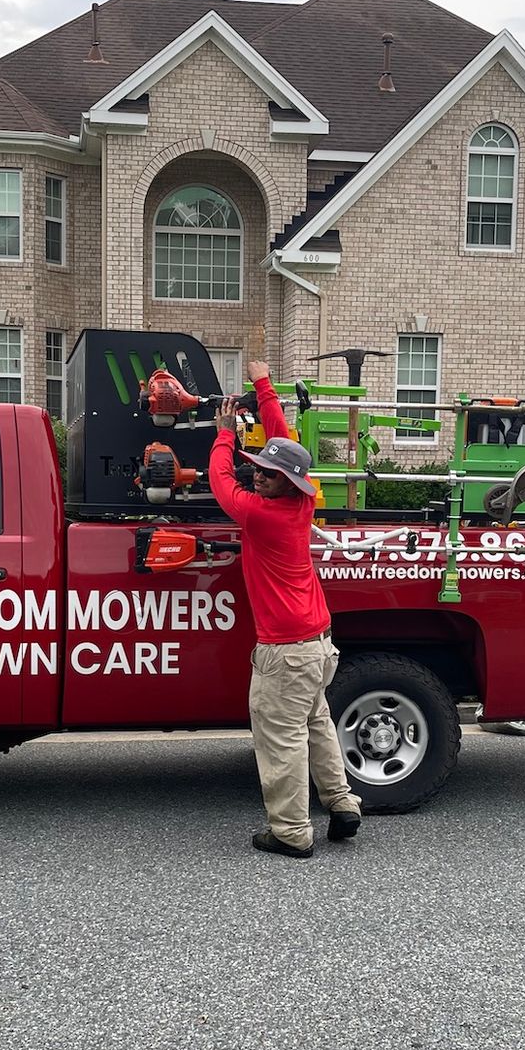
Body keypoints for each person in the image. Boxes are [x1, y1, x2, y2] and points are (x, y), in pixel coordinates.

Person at [209, 360, 362, 858]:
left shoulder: (258, 515)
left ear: (286, 484)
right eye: (259, 471)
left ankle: (291, 832)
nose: (259, 478)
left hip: (287, 652)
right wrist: (264, 385)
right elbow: (283, 443)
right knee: (315, 723)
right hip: (317, 645)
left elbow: (219, 480)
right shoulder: (303, 501)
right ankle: (342, 805)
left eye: (269, 476)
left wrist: (224, 435)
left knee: (281, 739)